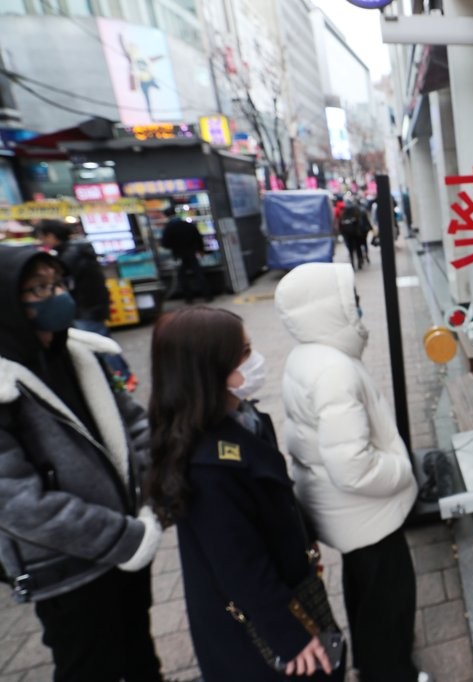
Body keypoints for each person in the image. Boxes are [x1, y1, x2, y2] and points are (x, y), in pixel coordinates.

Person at [146, 306, 343, 681]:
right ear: (209, 370)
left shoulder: (239, 418)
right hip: (259, 620)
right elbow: (241, 567)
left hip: (287, 585)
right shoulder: (209, 467)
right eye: (246, 354)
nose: (257, 362)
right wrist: (290, 637)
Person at [0, 246, 163, 681]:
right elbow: (18, 503)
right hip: (67, 570)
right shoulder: (4, 386)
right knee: (89, 666)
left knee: (140, 656)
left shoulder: (80, 357)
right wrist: (123, 538)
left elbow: (134, 425)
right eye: (38, 290)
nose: (55, 295)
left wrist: (146, 496)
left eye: (56, 284)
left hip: (127, 547)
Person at [275, 263, 424, 682]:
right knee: (388, 598)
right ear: (325, 308)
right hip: (365, 510)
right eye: (349, 300)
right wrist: (402, 470)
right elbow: (354, 467)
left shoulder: (308, 356)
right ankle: (391, 672)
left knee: (366, 590)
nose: (357, 307)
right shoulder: (334, 370)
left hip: (346, 511)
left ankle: (373, 661)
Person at [37, 220, 134, 387]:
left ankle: (122, 379)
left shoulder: (67, 256)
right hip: (93, 305)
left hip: (86, 307)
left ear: (51, 236)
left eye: (42, 236)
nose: (41, 241)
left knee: (99, 344)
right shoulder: (75, 250)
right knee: (103, 342)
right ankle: (124, 375)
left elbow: (63, 281)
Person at [160, 206, 211, 303]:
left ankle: (189, 298)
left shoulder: (169, 228)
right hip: (192, 253)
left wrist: (173, 246)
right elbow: (198, 237)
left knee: (182, 277)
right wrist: (201, 250)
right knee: (199, 274)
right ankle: (207, 295)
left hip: (179, 255)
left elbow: (165, 243)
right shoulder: (188, 224)